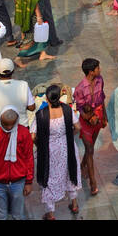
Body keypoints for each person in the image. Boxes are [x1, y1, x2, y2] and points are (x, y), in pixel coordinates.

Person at [34, 84, 81, 219]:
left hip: (50, 152)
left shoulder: (41, 114)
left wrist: (40, 145)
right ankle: (74, 204)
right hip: (68, 148)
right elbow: (78, 127)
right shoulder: (67, 110)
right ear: (59, 97)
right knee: (69, 172)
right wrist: (69, 135)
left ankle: (51, 214)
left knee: (49, 178)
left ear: (47, 99)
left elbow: (32, 136)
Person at [0, 108, 34, 220]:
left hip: (18, 183)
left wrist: (28, 182)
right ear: (0, 121)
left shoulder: (24, 133)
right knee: (0, 216)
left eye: (12, 124)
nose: (9, 128)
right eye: (6, 124)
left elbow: (29, 158)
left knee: (18, 215)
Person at [73, 58, 106, 196]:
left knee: (90, 147)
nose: (100, 70)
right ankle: (93, 182)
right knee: (90, 149)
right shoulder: (80, 88)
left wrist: (104, 117)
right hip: (86, 121)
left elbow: (102, 98)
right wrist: (88, 117)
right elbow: (79, 107)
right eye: (98, 68)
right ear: (91, 72)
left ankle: (82, 166)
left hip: (98, 117)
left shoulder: (100, 80)